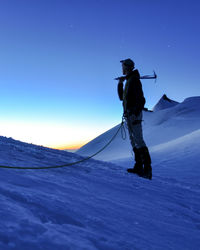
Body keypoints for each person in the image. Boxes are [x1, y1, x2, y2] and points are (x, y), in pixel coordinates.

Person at [117, 58, 152, 179]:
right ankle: (138, 166)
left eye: (122, 66)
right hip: (129, 115)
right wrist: (120, 84)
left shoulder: (134, 80)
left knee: (139, 140)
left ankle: (147, 170)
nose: (121, 68)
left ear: (126, 67)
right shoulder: (129, 81)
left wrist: (134, 112)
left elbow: (141, 99)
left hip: (133, 115)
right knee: (133, 141)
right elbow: (122, 98)